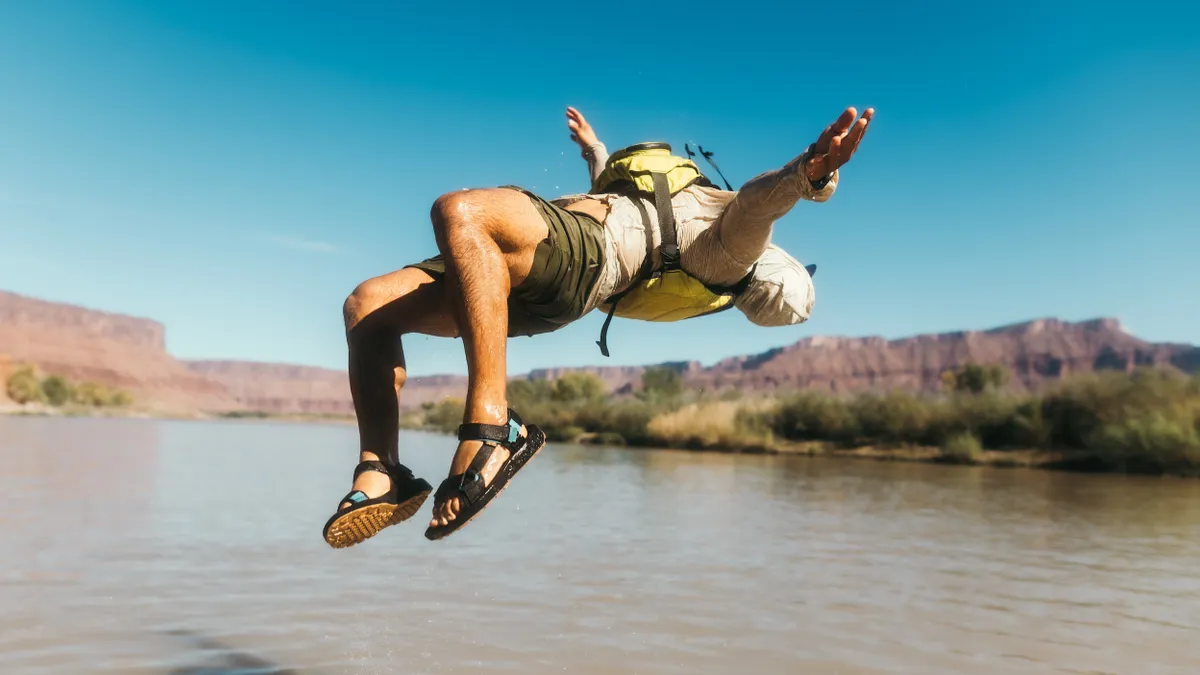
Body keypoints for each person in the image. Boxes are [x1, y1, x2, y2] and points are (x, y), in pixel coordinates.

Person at [322, 105, 874, 548]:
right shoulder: (692, 221)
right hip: (522, 275)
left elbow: (757, 205)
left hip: (578, 260)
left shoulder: (729, 256)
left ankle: (492, 429)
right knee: (366, 307)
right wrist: (595, 150)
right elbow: (625, 202)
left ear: (768, 265)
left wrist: (806, 174)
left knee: (461, 210)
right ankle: (382, 470)